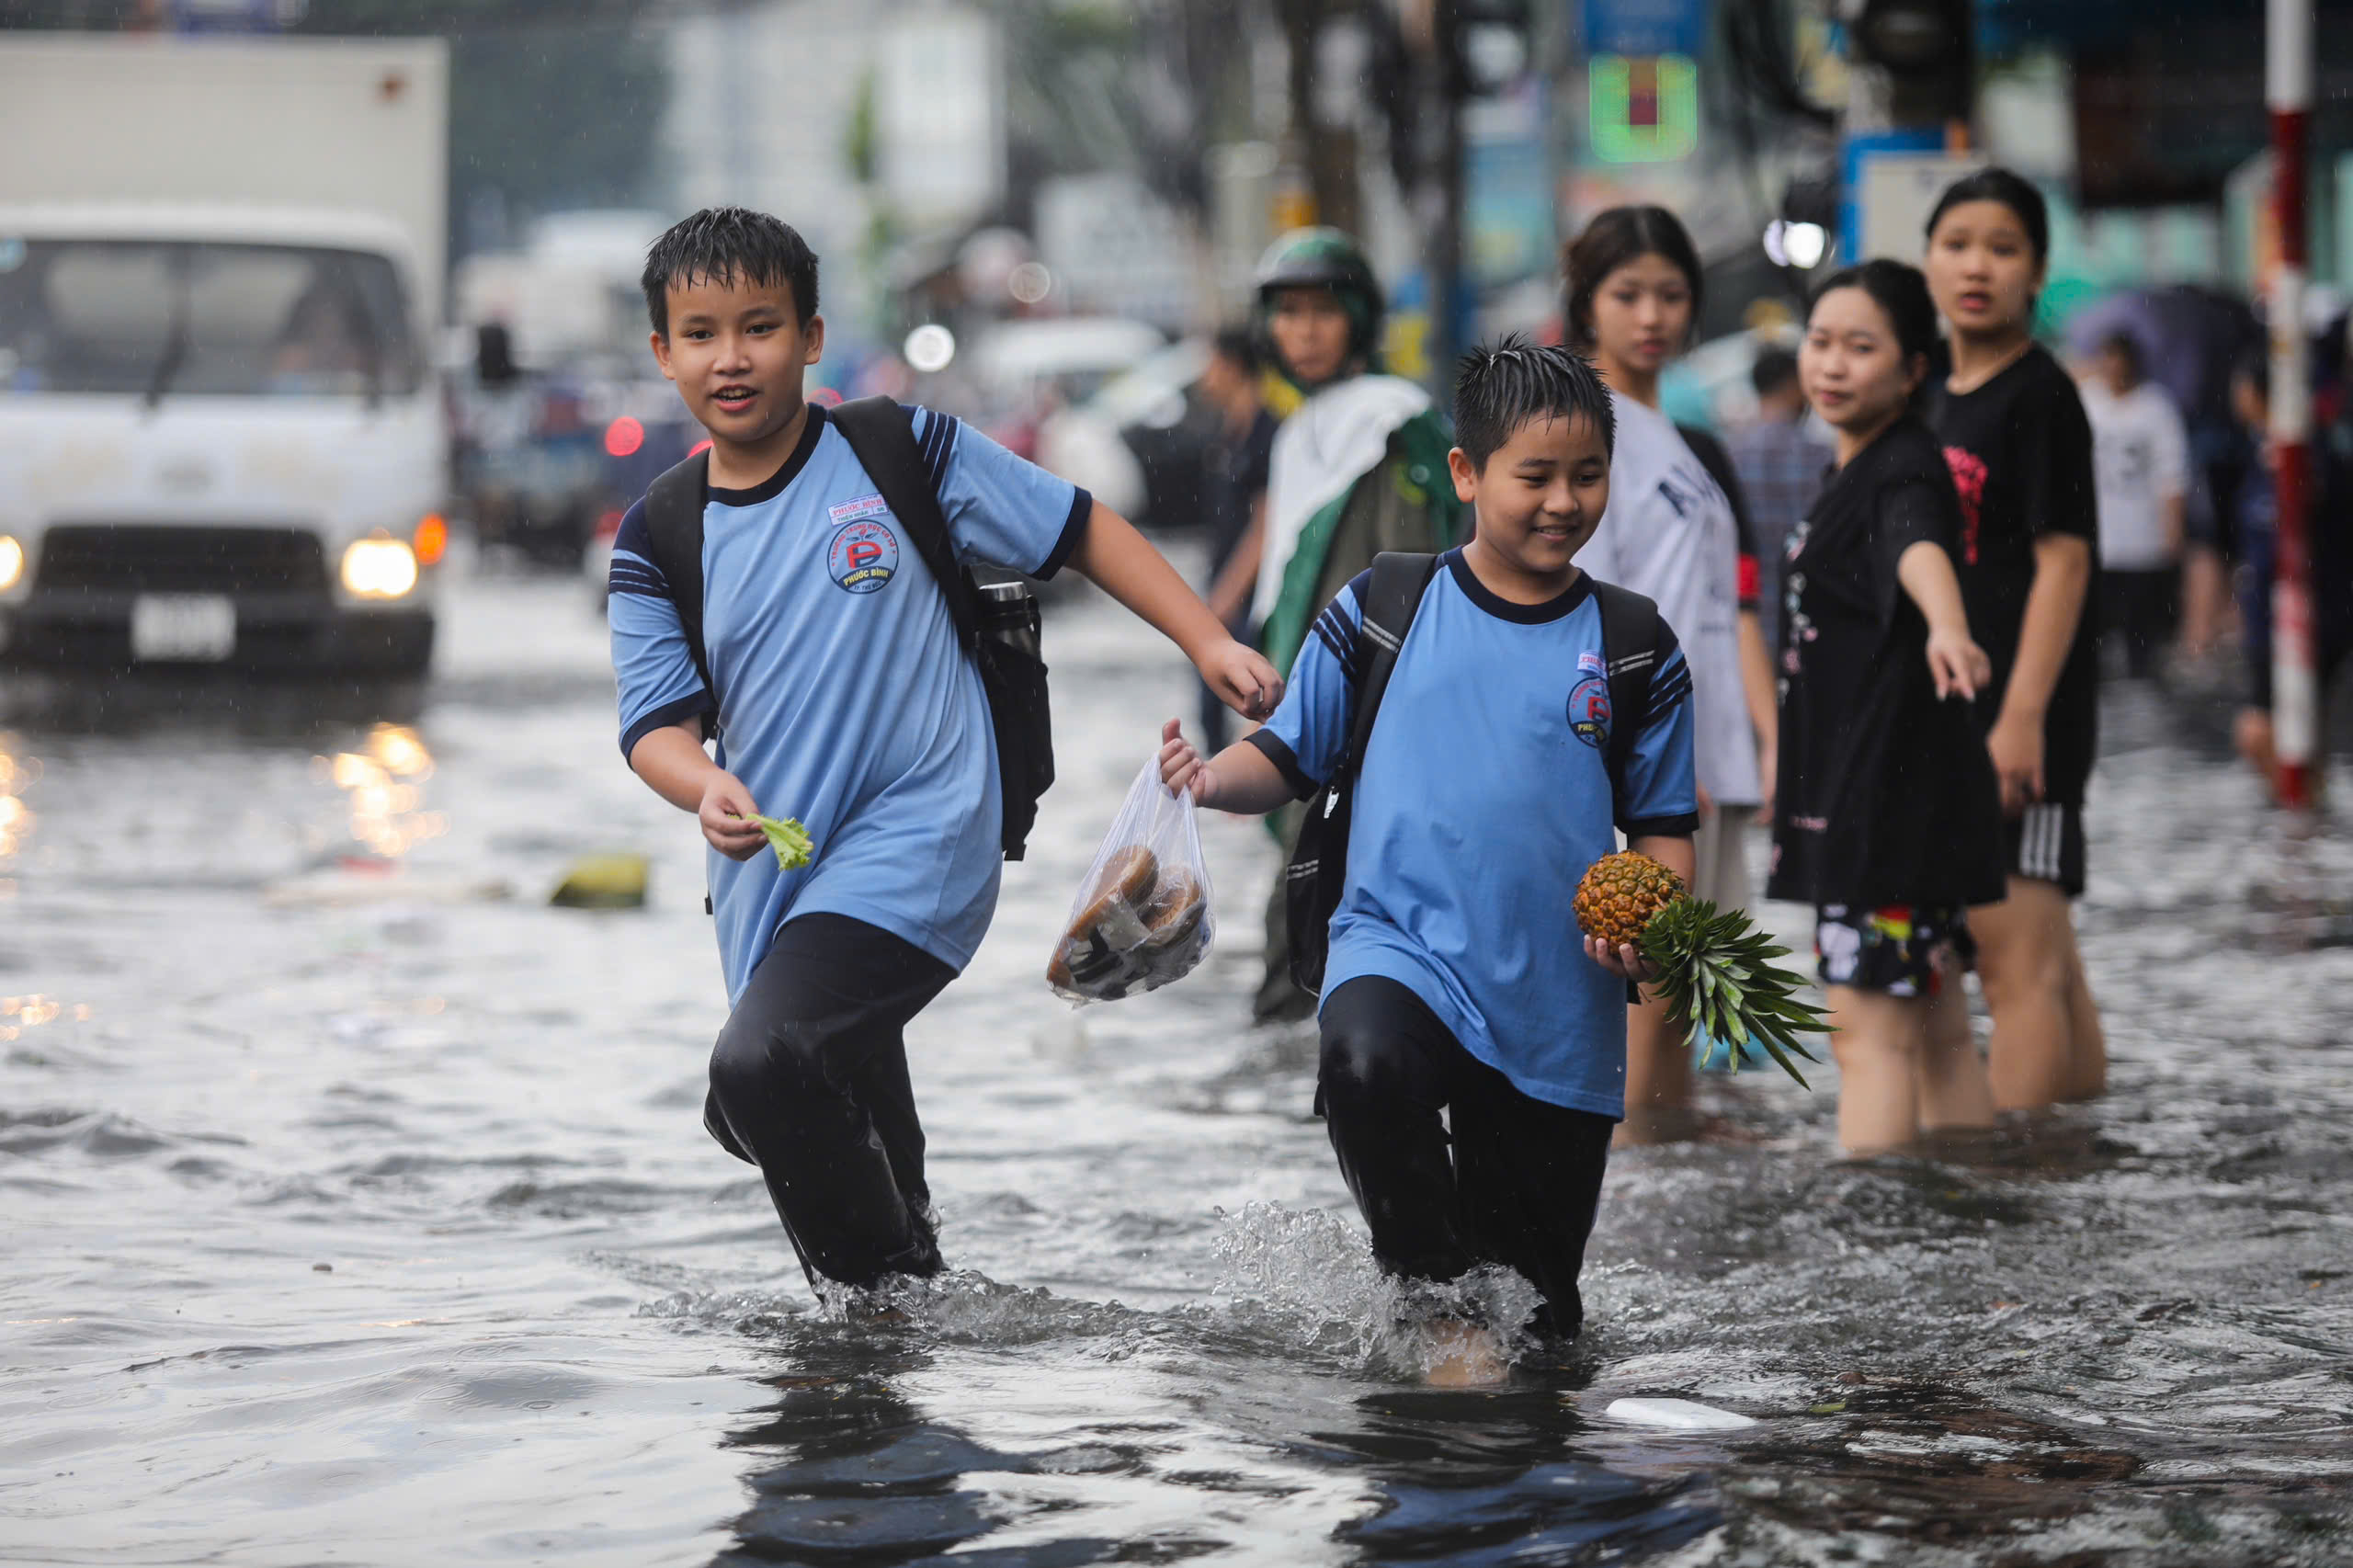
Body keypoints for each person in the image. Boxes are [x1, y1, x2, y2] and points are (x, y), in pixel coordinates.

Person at [608, 208, 1282, 1300]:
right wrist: (704, 785)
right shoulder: (658, 534)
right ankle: (904, 1370)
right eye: (700, 333)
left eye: (759, 326)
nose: (730, 357)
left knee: (757, 1066)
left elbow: (1079, 527)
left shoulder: (896, 449)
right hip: (770, 877)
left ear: (812, 336)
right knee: (848, 1141)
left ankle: (883, 1345)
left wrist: (1205, 637)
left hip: (922, 832)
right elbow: (654, 726)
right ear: (662, 352)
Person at [1158, 338, 1699, 1381]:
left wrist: (1656, 921)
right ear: (1467, 473)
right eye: (1532, 475)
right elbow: (1285, 752)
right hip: (1396, 945)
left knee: (1539, 1334)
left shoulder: (1633, 644)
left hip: (1558, 1002)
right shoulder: (1384, 607)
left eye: (1585, 475)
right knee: (1364, 1064)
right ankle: (1431, 1305)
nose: (1561, 500)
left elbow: (1665, 821)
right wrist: (1203, 781)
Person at [1772, 260, 2007, 1154]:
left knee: (1864, 1037)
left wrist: (1947, 623)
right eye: (1820, 341)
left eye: (1860, 347)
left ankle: (1880, 1247)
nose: (1831, 364)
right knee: (1937, 1032)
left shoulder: (1901, 470)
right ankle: (1966, 1208)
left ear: (1914, 369)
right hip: (1915, 803)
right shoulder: (1869, 463)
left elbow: (1918, 546)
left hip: (1878, 812)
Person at [1562, 206, 1779, 1143]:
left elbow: (1722, 610)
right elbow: (1579, 608)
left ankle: (1674, 1147)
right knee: (1646, 977)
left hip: (1708, 753)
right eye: (1627, 294)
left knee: (1687, 981)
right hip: (1643, 760)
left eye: (1670, 295)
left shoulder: (1684, 440)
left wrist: (1762, 741)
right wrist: (1638, 756)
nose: (1650, 314)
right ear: (1585, 302)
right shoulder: (1580, 433)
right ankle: (1640, 1183)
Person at [1242, 227, 1466, 1023]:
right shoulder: (1306, 427)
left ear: (1361, 319)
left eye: (1323, 312)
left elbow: (1407, 576)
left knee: (1305, 931)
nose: (1303, 331)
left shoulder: (1393, 425)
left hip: (1363, 720)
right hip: (1310, 712)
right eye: (1287, 313)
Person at [1920, 168, 2108, 1117]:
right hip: (1970, 717)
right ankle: (2071, 1147)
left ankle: (2018, 1189)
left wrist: (2022, 716)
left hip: (2022, 718)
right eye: (1956, 243)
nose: (1976, 265)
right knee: (2050, 960)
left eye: (2002, 246)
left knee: (2012, 962)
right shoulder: (1938, 396)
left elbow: (2064, 562)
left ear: (2037, 271)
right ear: (1926, 260)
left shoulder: (2041, 397)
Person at [2226, 348, 2353, 792]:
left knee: (2264, 732)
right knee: (2293, 735)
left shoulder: (2308, 456)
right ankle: (2302, 822)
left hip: (2305, 619)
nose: (2234, 397)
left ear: (2261, 394)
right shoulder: (2264, 452)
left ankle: (2301, 822)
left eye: (2240, 387)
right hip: (2270, 618)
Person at [2079, 330, 2190, 678]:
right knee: (2093, 633)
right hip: (2097, 538)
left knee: (2142, 637)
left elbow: (2171, 475)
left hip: (2143, 540)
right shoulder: (2086, 401)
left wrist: (2173, 532)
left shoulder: (2156, 409)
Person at [1196, 326, 1279, 755]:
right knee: (1209, 695)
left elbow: (1264, 526)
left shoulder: (1268, 433)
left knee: (1257, 689)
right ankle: (1220, 775)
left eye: (1211, 363)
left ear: (1232, 367)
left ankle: (1247, 779)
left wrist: (1226, 593)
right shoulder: (1229, 432)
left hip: (1250, 590)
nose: (1205, 375)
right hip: (1224, 580)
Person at [1728, 342, 1834, 655]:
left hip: (1748, 620)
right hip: (1809, 616)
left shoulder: (1729, 455)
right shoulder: (1824, 457)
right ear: (1794, 386)